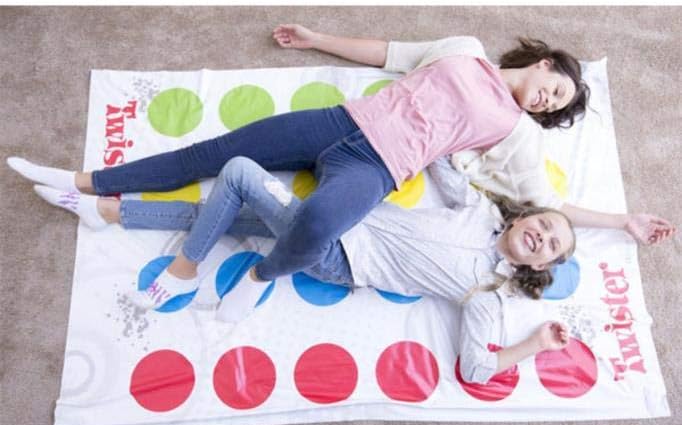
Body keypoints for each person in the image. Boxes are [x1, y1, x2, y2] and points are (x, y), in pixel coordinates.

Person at [7, 24, 673, 316]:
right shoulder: (464, 49)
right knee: (210, 153)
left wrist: (622, 221)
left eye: (554, 106)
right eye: (554, 88)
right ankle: (84, 181)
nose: (547, 100)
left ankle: (259, 278)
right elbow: (392, 52)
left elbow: (548, 205)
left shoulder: (515, 132)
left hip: (377, 168)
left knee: (320, 221)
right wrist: (318, 39)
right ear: (544, 64)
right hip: (339, 121)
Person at [29, 155, 575, 385]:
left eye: (551, 246)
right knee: (221, 210)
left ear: (540, 265)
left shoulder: (489, 294)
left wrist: (536, 345)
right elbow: (438, 154)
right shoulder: (478, 208)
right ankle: (107, 212)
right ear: (528, 214)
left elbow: (476, 369)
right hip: (336, 213)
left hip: (337, 256)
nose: (542, 236)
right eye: (547, 224)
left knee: (239, 173)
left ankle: (183, 268)